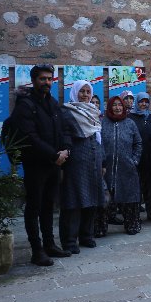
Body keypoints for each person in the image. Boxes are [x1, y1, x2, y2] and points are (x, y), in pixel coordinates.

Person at [11, 64, 72, 265]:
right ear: (34, 80)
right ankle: (37, 250)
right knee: (34, 207)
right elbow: (30, 137)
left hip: (55, 163)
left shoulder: (53, 103)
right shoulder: (25, 106)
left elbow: (63, 130)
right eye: (42, 79)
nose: (47, 82)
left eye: (49, 79)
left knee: (48, 206)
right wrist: (54, 154)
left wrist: (65, 150)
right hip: (36, 165)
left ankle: (49, 245)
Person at [59, 80, 103, 254]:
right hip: (75, 163)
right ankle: (70, 241)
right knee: (73, 201)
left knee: (91, 200)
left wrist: (103, 161)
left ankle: (87, 236)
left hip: (93, 162)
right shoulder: (67, 112)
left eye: (88, 92)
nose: (85, 95)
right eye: (82, 91)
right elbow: (64, 136)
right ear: (74, 92)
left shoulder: (94, 112)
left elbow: (99, 139)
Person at [99, 96, 143, 235]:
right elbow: (97, 143)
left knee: (129, 198)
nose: (117, 108)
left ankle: (132, 225)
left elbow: (138, 143)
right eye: (114, 105)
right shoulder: (102, 123)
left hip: (127, 168)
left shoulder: (130, 123)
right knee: (103, 200)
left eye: (120, 105)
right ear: (110, 107)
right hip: (106, 169)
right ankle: (100, 228)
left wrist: (134, 160)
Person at [129, 92, 151, 222]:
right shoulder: (130, 118)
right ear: (137, 102)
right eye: (141, 101)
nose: (144, 104)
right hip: (136, 160)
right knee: (136, 189)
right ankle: (134, 216)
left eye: (146, 101)